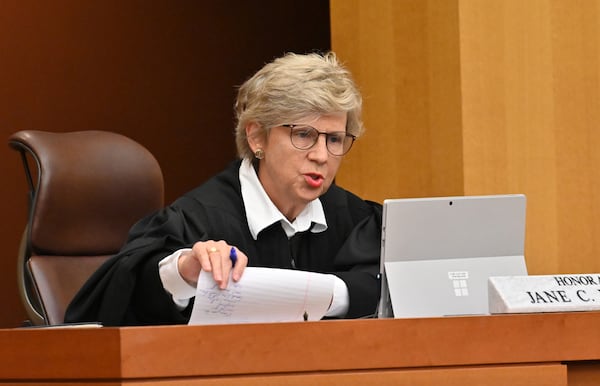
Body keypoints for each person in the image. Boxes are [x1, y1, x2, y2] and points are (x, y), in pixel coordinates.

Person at [65, 51, 383, 326]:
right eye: (303, 135)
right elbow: (123, 297)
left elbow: (387, 288)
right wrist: (185, 271)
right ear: (257, 137)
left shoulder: (355, 219)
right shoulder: (198, 220)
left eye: (334, 139)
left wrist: (319, 294)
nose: (321, 155)